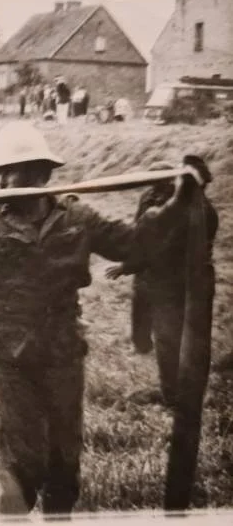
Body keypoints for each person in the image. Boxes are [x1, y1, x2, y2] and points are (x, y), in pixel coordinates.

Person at [0, 121, 208, 515]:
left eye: (12, 171)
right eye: (0, 172)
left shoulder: (78, 216)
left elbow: (137, 242)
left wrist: (180, 200)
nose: (4, 180)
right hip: (10, 352)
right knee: (21, 462)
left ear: (39, 172)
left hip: (63, 350)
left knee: (63, 464)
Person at [105, 161, 218, 408]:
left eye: (162, 184)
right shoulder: (150, 198)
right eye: (153, 184)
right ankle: (148, 356)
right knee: (151, 326)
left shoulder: (194, 207)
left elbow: (166, 247)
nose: (155, 189)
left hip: (176, 283)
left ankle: (176, 396)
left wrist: (129, 265)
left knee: (172, 340)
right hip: (152, 277)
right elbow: (140, 234)